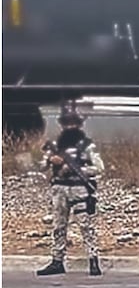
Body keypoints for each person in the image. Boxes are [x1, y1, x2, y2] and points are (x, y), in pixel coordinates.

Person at [36, 105, 104, 277]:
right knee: (59, 226)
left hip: (79, 189)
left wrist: (76, 169)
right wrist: (51, 160)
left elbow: (99, 168)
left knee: (86, 226)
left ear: (79, 125)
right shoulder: (55, 145)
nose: (70, 126)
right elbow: (42, 167)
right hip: (59, 189)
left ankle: (93, 260)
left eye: (73, 123)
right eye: (67, 123)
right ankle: (57, 261)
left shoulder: (87, 146)